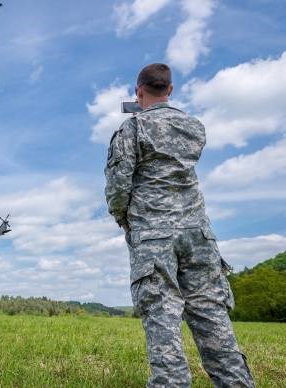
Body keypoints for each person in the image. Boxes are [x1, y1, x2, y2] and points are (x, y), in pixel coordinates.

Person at [105, 63, 255, 387]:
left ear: (138, 91)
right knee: (213, 320)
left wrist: (125, 219)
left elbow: (118, 188)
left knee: (163, 322)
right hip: (198, 235)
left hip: (153, 238)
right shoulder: (194, 127)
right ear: (170, 90)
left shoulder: (130, 130)